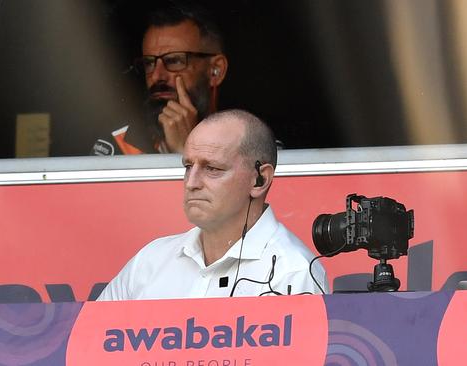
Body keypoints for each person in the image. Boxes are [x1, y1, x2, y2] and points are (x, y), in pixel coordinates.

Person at [98, 109, 328, 300]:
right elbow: (89, 345)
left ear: (260, 179)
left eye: (212, 169)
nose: (192, 182)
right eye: (188, 166)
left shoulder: (294, 272)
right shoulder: (150, 261)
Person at [110, 4, 229, 155]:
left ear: (215, 71)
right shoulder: (120, 144)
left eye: (174, 61)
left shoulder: (242, 145)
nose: (157, 76)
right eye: (149, 63)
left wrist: (185, 150)